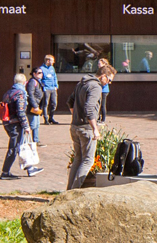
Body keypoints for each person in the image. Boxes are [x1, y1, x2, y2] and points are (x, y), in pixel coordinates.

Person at [66, 61, 113, 190]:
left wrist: (76, 116)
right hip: (86, 128)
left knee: (78, 159)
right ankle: (74, 191)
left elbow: (70, 101)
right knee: (88, 161)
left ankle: (69, 190)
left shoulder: (82, 83)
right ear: (103, 76)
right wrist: (95, 129)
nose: (109, 83)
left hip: (75, 126)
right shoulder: (96, 87)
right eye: (109, 80)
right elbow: (90, 109)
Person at [1, 73, 42, 179]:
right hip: (15, 124)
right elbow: (20, 111)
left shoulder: (8, 92)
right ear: (24, 82)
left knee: (20, 146)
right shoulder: (20, 93)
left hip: (8, 123)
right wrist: (26, 125)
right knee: (14, 148)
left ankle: (30, 168)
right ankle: (5, 172)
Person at [25, 67, 46, 147]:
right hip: (32, 107)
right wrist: (34, 105)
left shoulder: (38, 81)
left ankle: (36, 141)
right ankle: (27, 140)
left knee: (37, 124)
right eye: (39, 73)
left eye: (41, 73)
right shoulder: (32, 82)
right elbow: (30, 95)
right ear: (34, 73)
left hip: (37, 106)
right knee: (33, 125)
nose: (41, 74)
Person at [38, 54, 59, 124]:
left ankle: (51, 118)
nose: (53, 62)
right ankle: (46, 119)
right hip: (46, 89)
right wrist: (43, 86)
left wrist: (56, 85)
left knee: (54, 104)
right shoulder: (41, 69)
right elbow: (39, 79)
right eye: (52, 61)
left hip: (53, 88)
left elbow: (54, 77)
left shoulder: (52, 68)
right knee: (45, 104)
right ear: (48, 61)